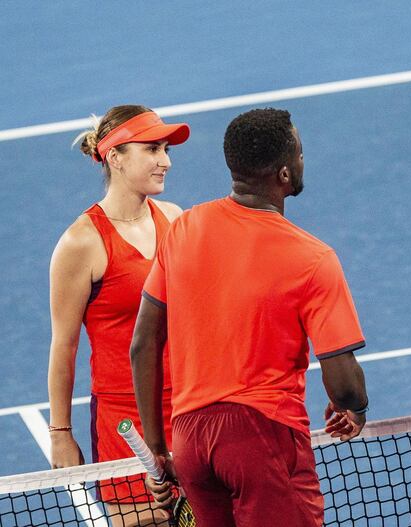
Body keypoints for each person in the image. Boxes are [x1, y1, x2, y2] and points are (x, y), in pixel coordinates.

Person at [130, 108, 370, 527]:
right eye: (298, 153)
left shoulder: (184, 229)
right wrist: (356, 405)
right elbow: (344, 385)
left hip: (190, 442)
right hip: (262, 439)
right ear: (283, 174)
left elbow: (143, 345)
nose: (301, 160)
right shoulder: (312, 259)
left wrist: (158, 447)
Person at [48, 105, 190, 526]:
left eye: (165, 149)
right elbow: (64, 344)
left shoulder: (174, 218)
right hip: (124, 426)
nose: (166, 160)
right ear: (115, 157)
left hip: (187, 413)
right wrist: (61, 433)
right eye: (152, 149)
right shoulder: (81, 242)